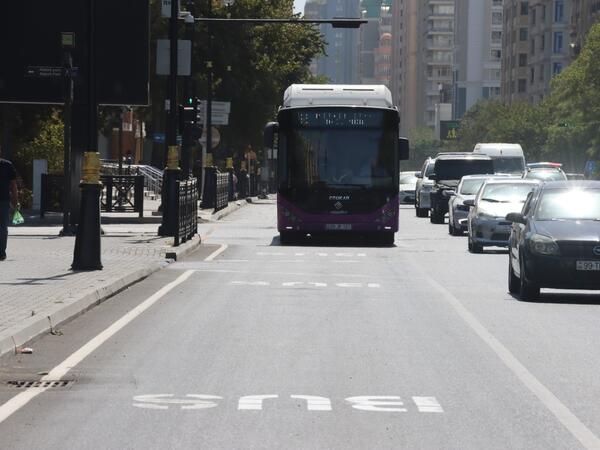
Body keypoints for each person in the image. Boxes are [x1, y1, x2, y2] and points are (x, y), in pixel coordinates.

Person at [0, 146, 19, 261]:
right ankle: (2, 252)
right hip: (4, 200)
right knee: (2, 227)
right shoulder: (7, 165)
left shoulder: (8, 165)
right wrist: (15, 202)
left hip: (4, 200)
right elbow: (13, 185)